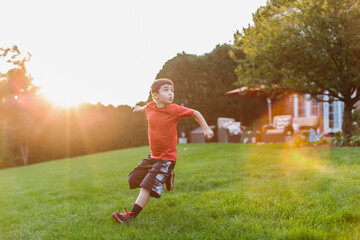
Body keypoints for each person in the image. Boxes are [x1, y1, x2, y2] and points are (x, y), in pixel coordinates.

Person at [113, 78, 214, 223]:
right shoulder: (150, 106)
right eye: (166, 90)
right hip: (153, 157)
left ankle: (130, 216)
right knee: (133, 178)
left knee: (146, 187)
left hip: (167, 157)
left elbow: (195, 113)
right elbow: (145, 108)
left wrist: (206, 128)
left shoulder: (175, 109)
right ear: (156, 95)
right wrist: (138, 108)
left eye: (172, 90)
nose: (170, 93)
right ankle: (167, 175)